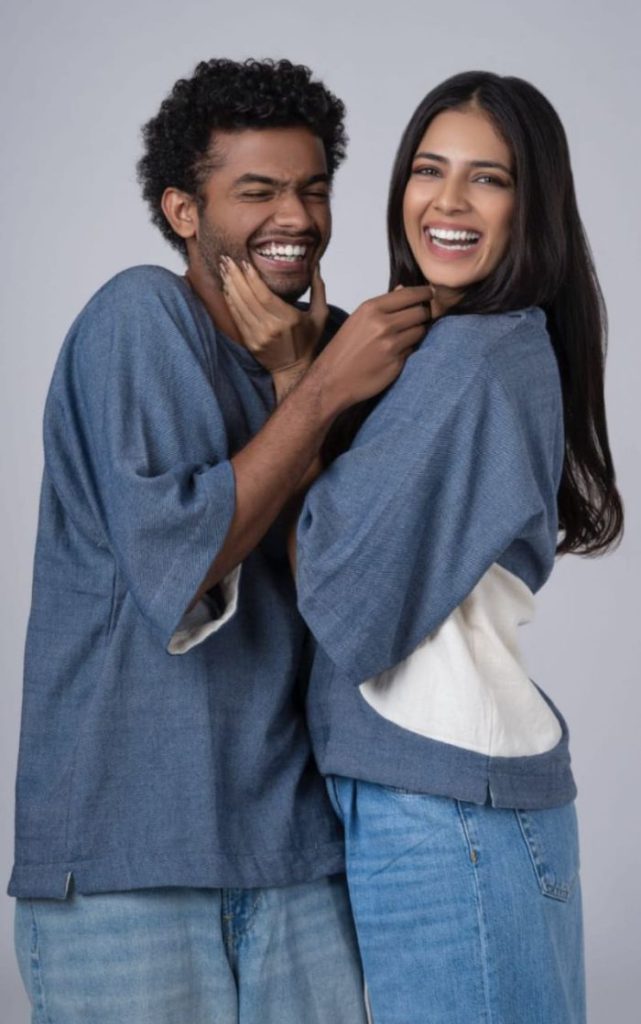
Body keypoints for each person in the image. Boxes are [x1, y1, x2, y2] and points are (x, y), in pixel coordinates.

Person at [10, 57, 433, 1024]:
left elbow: (359, 590)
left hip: (299, 854)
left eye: (312, 188)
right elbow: (185, 557)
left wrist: (302, 375)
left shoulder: (329, 351)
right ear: (183, 209)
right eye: (257, 190)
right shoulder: (140, 316)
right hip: (129, 864)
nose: (295, 216)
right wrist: (320, 392)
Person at [226, 71, 624, 1023]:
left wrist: (298, 380)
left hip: (445, 803)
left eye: (487, 179)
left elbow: (338, 590)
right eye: (427, 170)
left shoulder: (474, 356)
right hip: (449, 792)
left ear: (532, 206)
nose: (446, 202)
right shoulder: (463, 345)